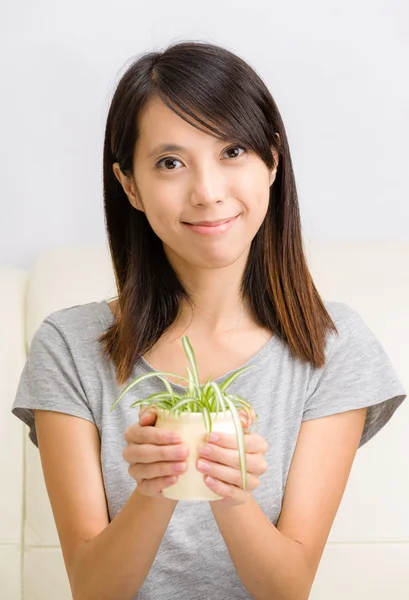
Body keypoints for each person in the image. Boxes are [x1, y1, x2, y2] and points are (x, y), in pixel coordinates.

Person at [11, 40, 407, 600]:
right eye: (170, 163)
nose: (207, 192)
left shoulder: (330, 348)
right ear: (130, 186)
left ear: (271, 162)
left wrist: (232, 494)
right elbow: (93, 591)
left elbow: (287, 589)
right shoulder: (69, 345)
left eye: (232, 152)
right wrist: (155, 490)